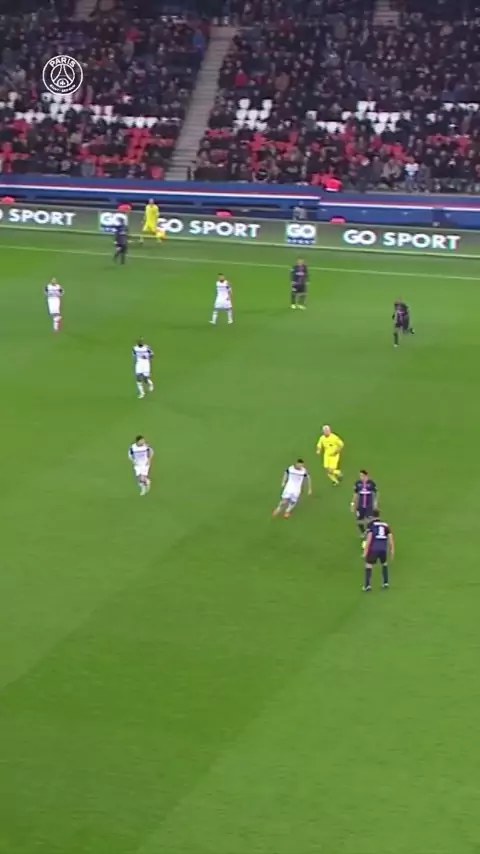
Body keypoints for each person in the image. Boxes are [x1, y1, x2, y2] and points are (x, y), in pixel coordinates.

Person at [362, 510, 394, 591]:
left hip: (374, 548)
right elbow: (390, 539)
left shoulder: (371, 525)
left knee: (368, 565)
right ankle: (385, 582)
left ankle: (367, 585)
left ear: (372, 516)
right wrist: (392, 550)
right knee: (384, 563)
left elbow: (369, 538)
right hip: (383, 549)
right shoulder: (385, 525)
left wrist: (365, 551)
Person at [351, 470, 378, 537]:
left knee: (370, 520)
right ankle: (363, 532)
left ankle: (369, 533)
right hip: (360, 505)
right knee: (359, 520)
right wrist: (353, 504)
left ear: (366, 475)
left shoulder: (371, 483)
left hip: (369, 505)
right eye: (360, 475)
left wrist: (375, 502)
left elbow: (376, 493)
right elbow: (355, 494)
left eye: (362, 475)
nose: (361, 477)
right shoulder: (358, 483)